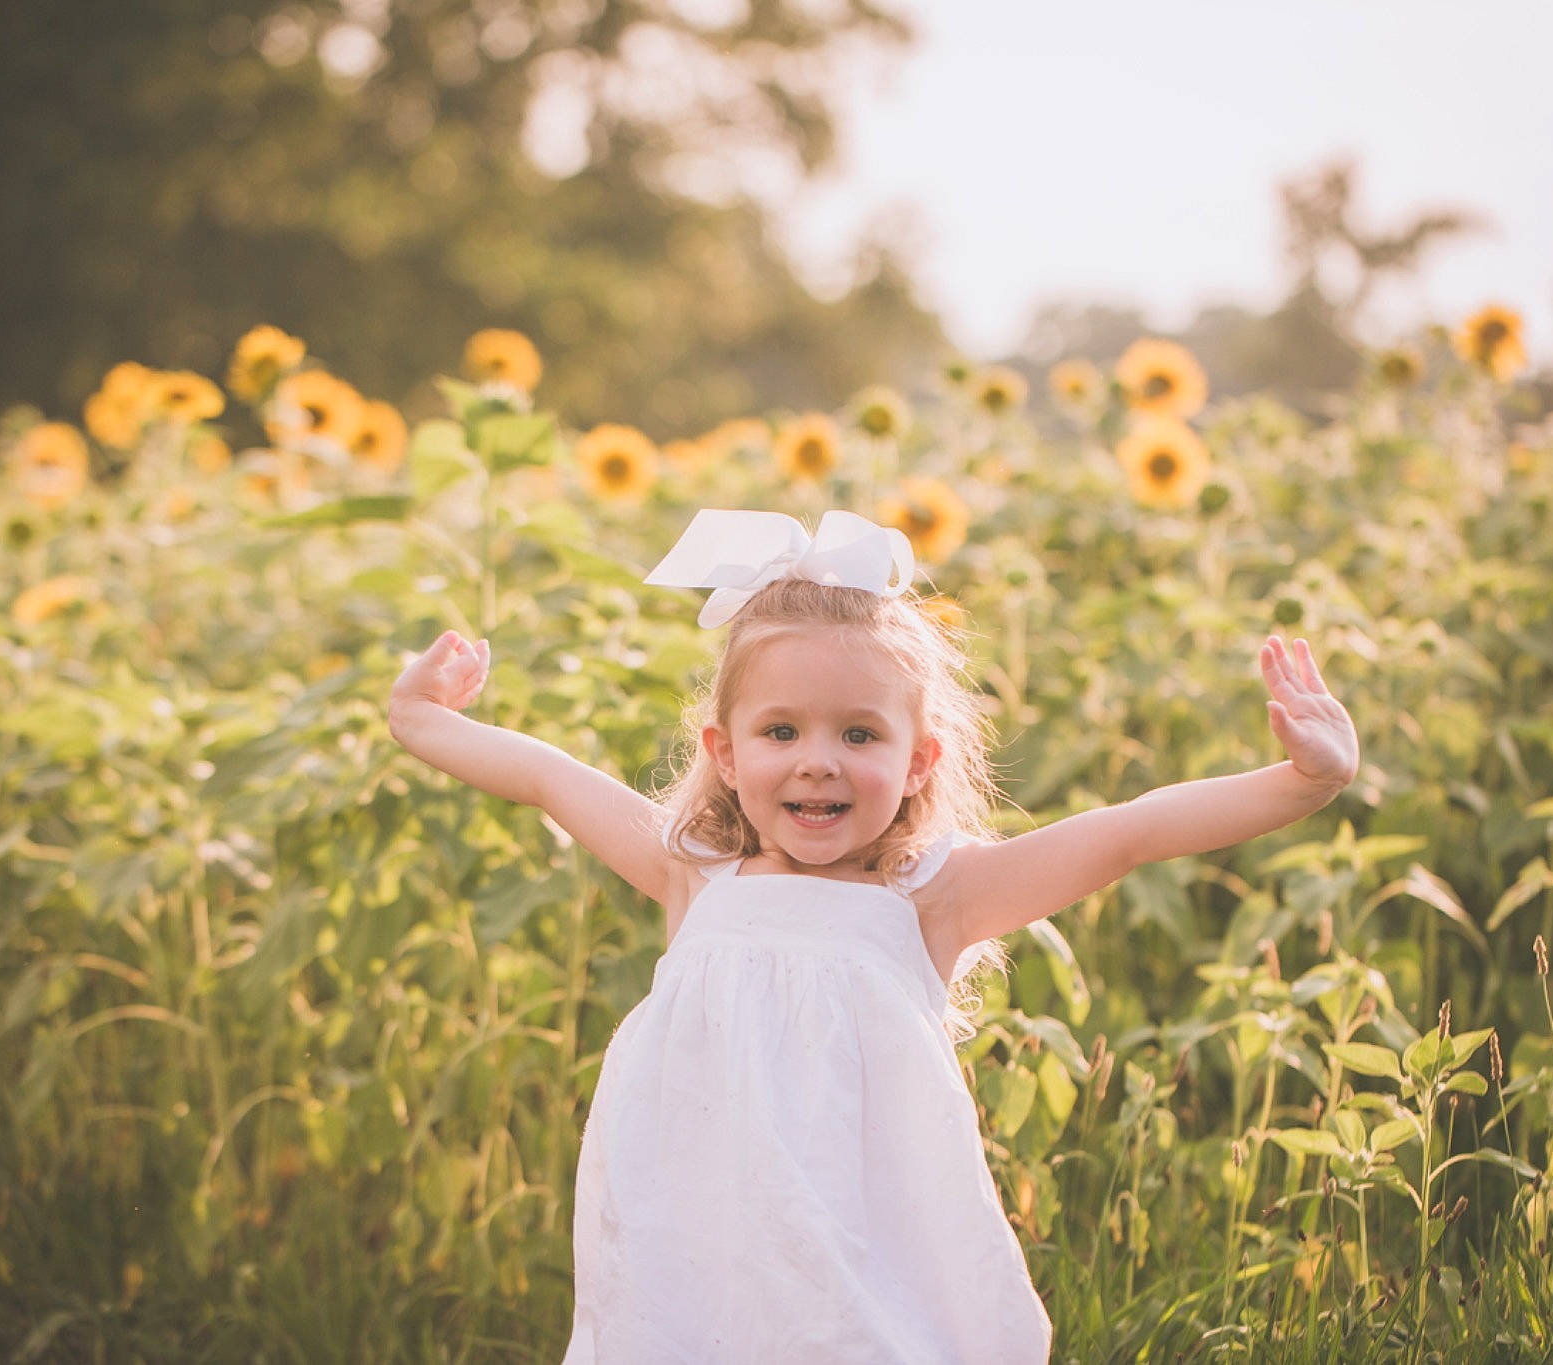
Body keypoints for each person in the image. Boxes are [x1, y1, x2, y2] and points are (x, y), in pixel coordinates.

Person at [387, 508, 1360, 1364]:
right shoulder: (692, 871)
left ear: (915, 760)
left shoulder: (931, 897)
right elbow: (549, 776)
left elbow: (1127, 832)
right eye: (780, 733)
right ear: (723, 754)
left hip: (867, 1247)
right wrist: (421, 716)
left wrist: (1300, 782)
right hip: (700, 1231)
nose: (819, 763)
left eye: (858, 735)